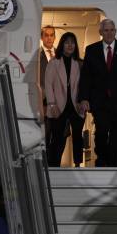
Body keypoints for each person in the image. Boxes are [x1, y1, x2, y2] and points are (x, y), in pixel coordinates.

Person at [78, 19, 117, 167]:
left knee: (116, 136)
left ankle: (113, 167)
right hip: (99, 102)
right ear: (100, 32)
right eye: (106, 30)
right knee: (101, 133)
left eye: (112, 30)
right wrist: (84, 98)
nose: (109, 33)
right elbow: (86, 76)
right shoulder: (91, 50)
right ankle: (102, 160)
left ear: (115, 31)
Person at [44, 32, 85, 167]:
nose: (70, 45)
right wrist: (51, 104)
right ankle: (54, 166)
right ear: (62, 44)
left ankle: (78, 164)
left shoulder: (79, 63)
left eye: (72, 42)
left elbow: (84, 85)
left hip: (76, 106)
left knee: (78, 137)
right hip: (58, 106)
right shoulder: (54, 62)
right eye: (67, 42)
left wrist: (83, 101)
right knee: (57, 138)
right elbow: (48, 84)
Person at [39, 25, 56, 148]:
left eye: (52, 35)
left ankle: (56, 166)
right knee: (44, 137)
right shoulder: (36, 56)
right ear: (42, 37)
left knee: (59, 139)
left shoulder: (62, 55)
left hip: (61, 104)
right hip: (43, 103)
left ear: (55, 37)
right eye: (46, 35)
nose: (49, 38)